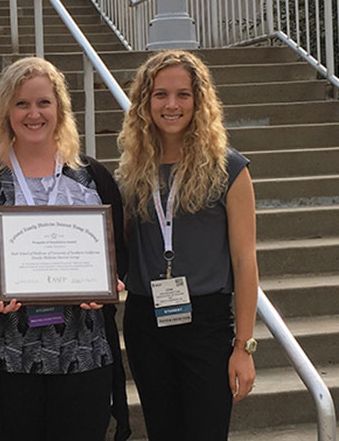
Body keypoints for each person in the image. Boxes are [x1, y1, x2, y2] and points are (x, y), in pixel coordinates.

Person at [0, 57, 131, 441]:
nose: (34, 113)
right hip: (9, 360)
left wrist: (108, 285)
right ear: (6, 111)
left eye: (44, 102)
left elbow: (122, 262)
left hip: (86, 356)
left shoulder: (92, 177)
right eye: (22, 103)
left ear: (60, 108)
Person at [116, 50, 258, 441]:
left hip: (206, 322)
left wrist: (243, 347)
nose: (171, 105)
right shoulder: (132, 170)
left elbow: (245, 262)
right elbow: (124, 247)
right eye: (160, 94)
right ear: (145, 103)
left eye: (183, 94)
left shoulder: (229, 168)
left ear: (200, 101)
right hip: (146, 320)